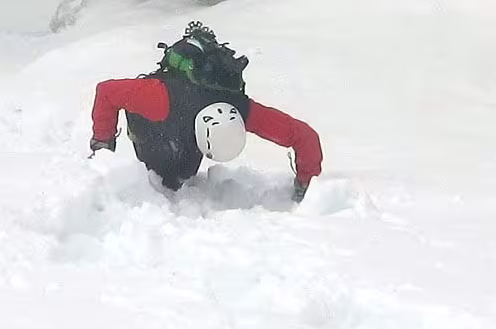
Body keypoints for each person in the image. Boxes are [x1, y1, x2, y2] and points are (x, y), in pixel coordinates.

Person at [90, 23, 322, 200]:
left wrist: (306, 180)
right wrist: (102, 145)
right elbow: (107, 92)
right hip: (160, 135)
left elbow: (303, 136)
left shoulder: (236, 107)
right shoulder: (161, 97)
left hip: (173, 147)